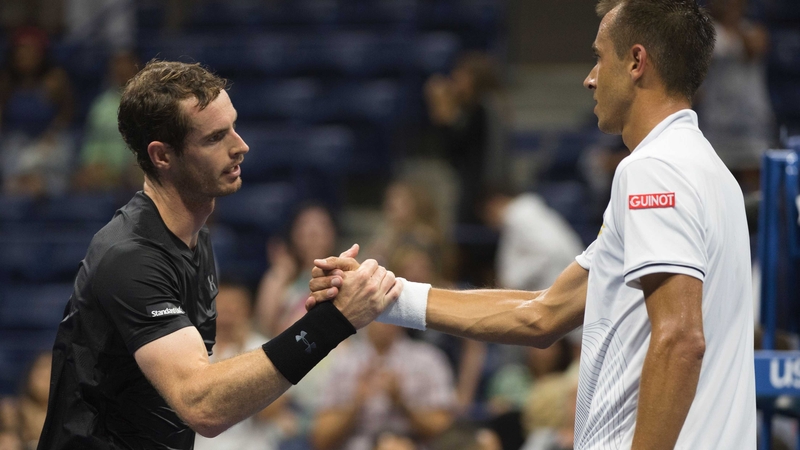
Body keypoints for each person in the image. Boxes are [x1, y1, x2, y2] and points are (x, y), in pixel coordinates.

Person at [309, 1, 756, 449]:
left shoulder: (653, 169)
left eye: (599, 56)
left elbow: (680, 338)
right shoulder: (712, 175)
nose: (590, 77)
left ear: (637, 62)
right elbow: (541, 315)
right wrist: (384, 296)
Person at [37, 60, 402, 450]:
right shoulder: (130, 256)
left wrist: (320, 314)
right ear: (162, 156)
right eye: (214, 138)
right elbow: (203, 404)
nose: (240, 145)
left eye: (233, 126)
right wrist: (333, 322)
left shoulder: (197, 239)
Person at [311, 322, 456, 450]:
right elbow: (320, 439)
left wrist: (401, 402)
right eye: (377, 315)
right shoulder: (343, 363)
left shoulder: (428, 360)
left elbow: (445, 430)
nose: (384, 322)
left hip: (411, 443)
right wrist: (355, 403)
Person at [72, 51, 142, 192]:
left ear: (136, 68)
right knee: (81, 179)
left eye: (125, 65)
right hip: (107, 170)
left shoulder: (149, 102)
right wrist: (95, 166)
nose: (121, 70)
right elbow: (92, 146)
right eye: (117, 65)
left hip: (139, 166)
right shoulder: (101, 105)